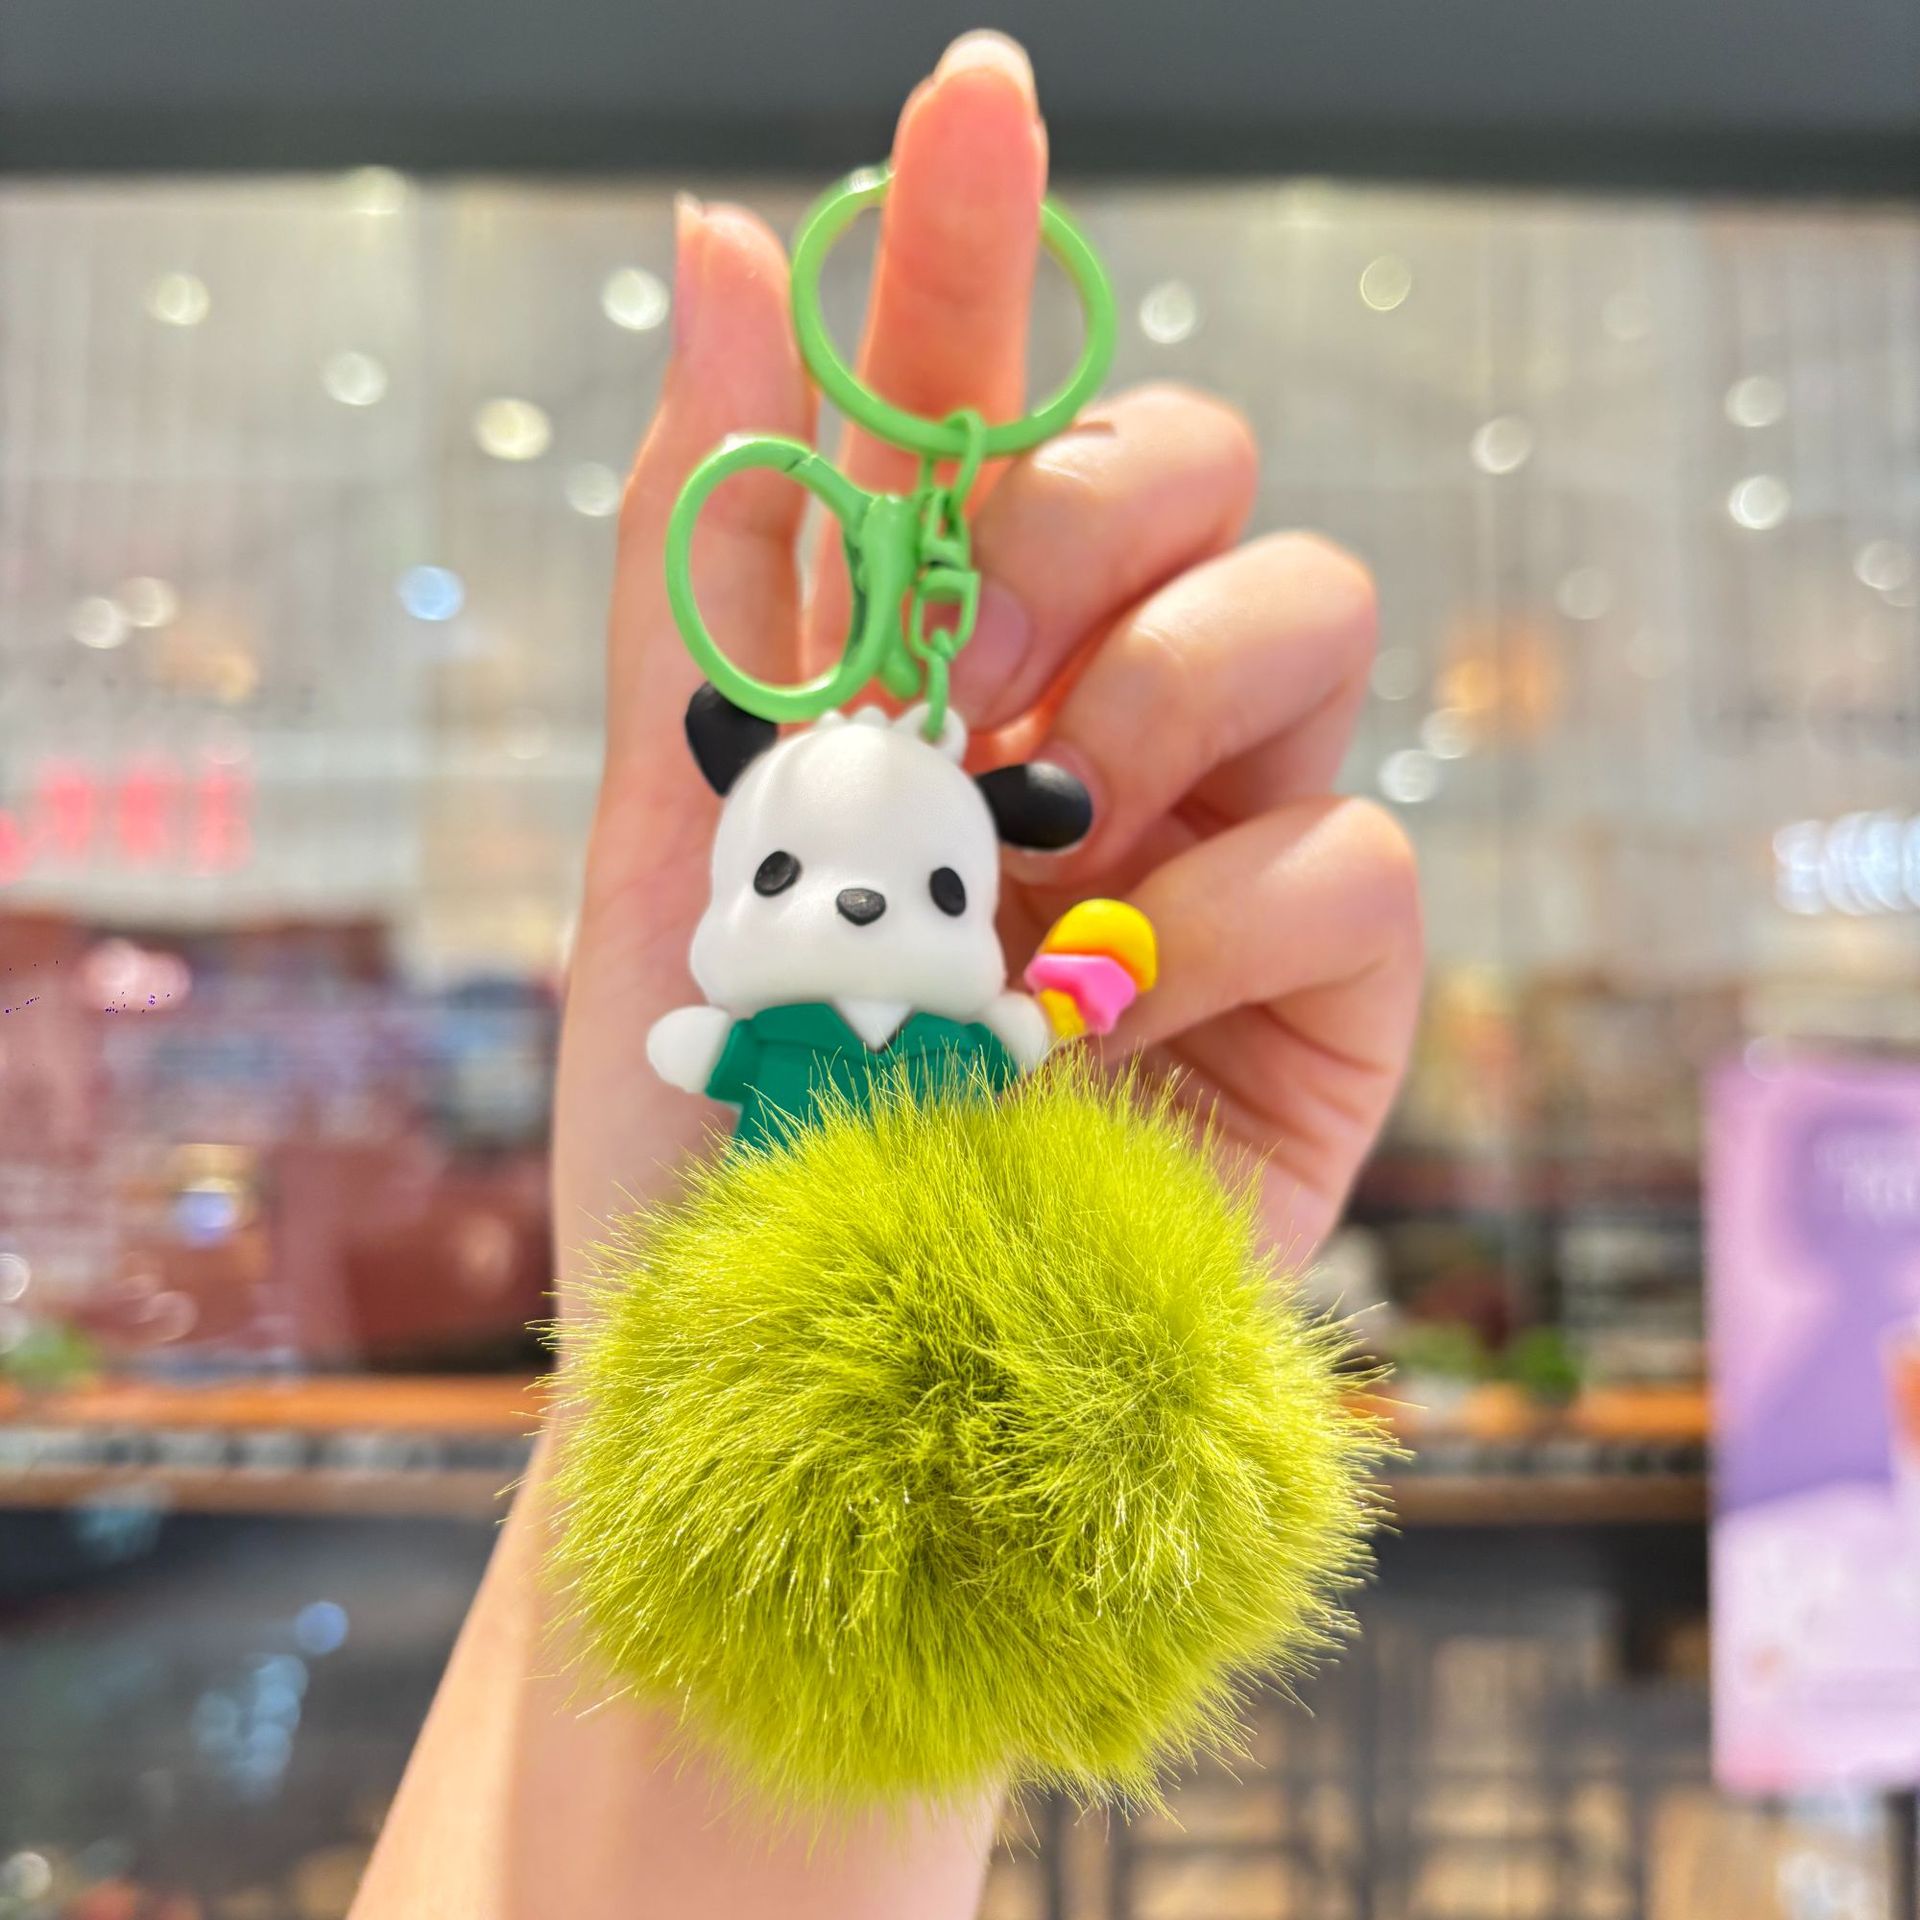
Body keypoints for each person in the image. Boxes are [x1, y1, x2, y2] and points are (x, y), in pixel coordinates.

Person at [351, 29, 1421, 1920]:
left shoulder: (908, 1043)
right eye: (788, 875)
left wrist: (1088, 1018)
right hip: (775, 1326)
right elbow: (725, 1051)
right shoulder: (752, 1056)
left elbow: (1014, 1028)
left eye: (914, 879)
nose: (844, 912)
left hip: (917, 1308)